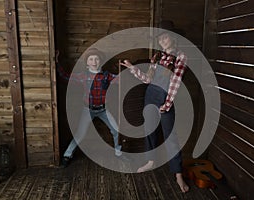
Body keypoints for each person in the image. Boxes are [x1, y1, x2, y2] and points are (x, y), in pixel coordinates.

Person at [120, 20, 189, 193]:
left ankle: (178, 173)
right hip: (150, 95)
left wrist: (167, 104)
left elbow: (176, 83)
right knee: (149, 130)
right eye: (160, 38)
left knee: (170, 136)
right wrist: (132, 68)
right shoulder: (156, 57)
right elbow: (148, 79)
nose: (162, 40)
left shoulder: (180, 57)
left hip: (166, 98)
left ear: (172, 37)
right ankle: (150, 161)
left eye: (165, 36)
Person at [56, 48, 122, 167]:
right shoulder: (83, 76)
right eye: (91, 59)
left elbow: (120, 79)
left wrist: (129, 70)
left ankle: (119, 153)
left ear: (100, 61)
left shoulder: (106, 76)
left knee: (116, 130)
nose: (94, 61)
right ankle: (67, 155)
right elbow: (65, 76)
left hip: (103, 110)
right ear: (87, 63)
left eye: (96, 59)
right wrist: (56, 62)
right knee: (80, 134)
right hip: (88, 110)